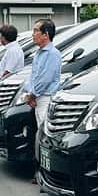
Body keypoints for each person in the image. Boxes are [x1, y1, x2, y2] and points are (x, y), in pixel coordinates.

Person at [26, 19, 61, 184]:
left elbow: (45, 79)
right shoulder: (39, 53)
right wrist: (30, 93)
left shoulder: (53, 54)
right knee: (38, 134)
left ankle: (44, 173)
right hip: (37, 97)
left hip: (45, 98)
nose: (33, 34)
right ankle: (39, 171)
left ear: (46, 35)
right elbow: (32, 76)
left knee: (44, 134)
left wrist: (33, 94)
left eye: (35, 31)